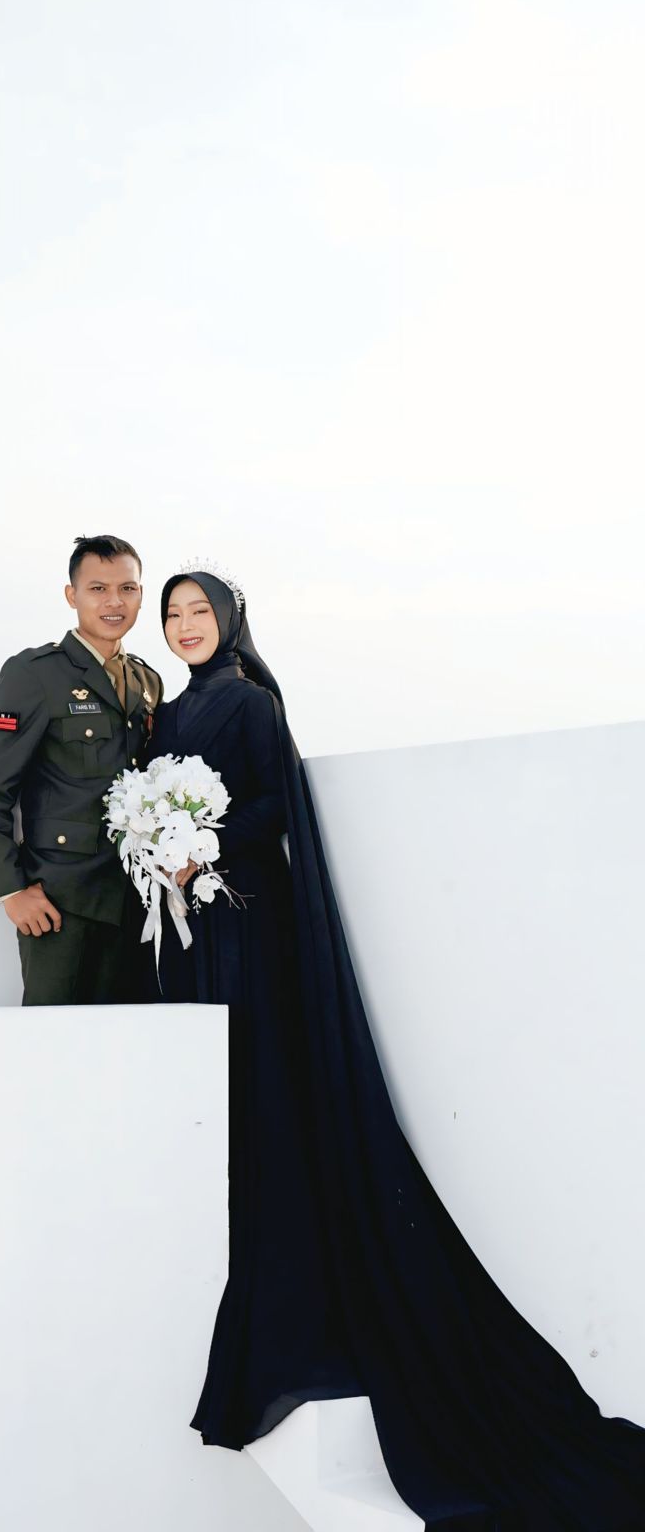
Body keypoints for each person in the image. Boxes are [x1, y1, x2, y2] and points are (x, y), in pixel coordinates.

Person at [147, 561, 645, 1529]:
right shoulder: (169, 713)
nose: (185, 624)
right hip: (195, 922)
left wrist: (205, 846)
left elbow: (272, 804)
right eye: (174, 614)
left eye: (199, 609)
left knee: (259, 1080)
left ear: (230, 618)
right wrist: (161, 847)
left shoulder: (246, 701)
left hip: (245, 916)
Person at [0, 535, 163, 1005]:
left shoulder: (147, 681)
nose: (114, 602)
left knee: (130, 1038)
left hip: (133, 903)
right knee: (51, 1039)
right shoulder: (34, 674)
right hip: (60, 903)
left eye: (127, 589)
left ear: (140, 594)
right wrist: (12, 890)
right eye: (98, 589)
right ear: (72, 595)